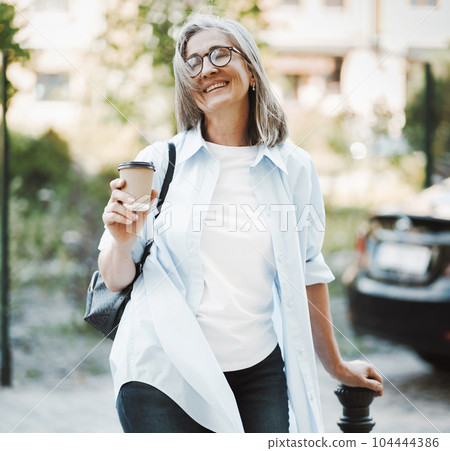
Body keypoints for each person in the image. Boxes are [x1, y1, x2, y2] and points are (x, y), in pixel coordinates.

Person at [98, 13, 383, 433]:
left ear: (250, 70)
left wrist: (336, 366)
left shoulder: (293, 168)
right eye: (192, 62)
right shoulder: (160, 162)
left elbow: (308, 273)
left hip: (256, 373)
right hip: (162, 371)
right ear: (188, 87)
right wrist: (121, 241)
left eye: (218, 53)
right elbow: (115, 278)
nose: (206, 68)